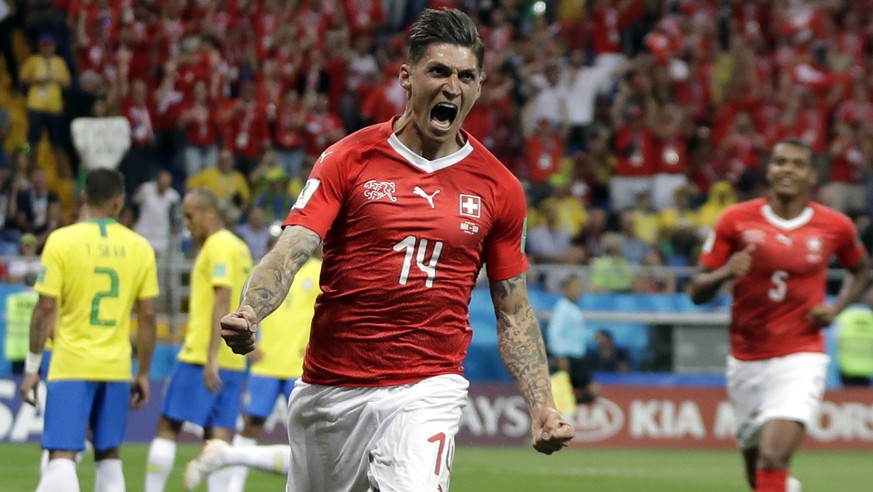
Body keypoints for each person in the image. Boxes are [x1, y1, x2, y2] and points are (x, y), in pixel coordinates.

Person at [219, 8, 574, 492]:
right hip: (331, 388)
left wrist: (541, 405)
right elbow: (292, 248)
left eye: (466, 76)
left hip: (427, 386)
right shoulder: (348, 158)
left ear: (479, 85)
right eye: (439, 71)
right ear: (406, 77)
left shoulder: (500, 187)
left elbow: (513, 310)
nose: (453, 86)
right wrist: (250, 310)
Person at [687, 138, 871, 492]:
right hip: (746, 358)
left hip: (801, 356)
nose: (787, 169)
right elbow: (696, 291)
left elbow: (862, 270)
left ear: (811, 175)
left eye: (797, 164)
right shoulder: (735, 220)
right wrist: (726, 272)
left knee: (773, 458)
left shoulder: (836, 226)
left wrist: (836, 307)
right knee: (758, 475)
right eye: (780, 162)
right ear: (769, 170)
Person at [18, 168, 159, 491]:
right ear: (119, 202)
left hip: (71, 364)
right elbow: (148, 316)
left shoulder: (62, 241)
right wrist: (143, 373)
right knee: (109, 455)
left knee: (62, 455)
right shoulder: (139, 247)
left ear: (84, 197)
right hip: (116, 366)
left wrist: (31, 369)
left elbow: (45, 309)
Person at [184, 246, 323, 491]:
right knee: (251, 425)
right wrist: (252, 342)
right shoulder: (272, 270)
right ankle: (233, 486)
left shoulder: (319, 271)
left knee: (310, 434)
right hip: (266, 363)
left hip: (300, 365)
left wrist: (315, 343)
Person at [144, 187, 253, 492]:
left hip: (203, 355)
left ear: (209, 213)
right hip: (233, 359)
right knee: (217, 438)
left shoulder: (217, 245)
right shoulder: (238, 246)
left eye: (190, 216)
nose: (186, 223)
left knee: (167, 426)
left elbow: (223, 297)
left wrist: (211, 356)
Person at [546, 275, 597, 403]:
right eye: (575, 286)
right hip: (568, 357)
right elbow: (554, 332)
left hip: (578, 357)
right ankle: (560, 407)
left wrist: (592, 336)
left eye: (580, 287)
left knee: (590, 392)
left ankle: (565, 406)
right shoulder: (562, 308)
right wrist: (560, 355)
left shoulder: (574, 308)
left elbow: (576, 333)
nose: (578, 290)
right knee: (590, 390)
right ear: (566, 288)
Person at [4, 272, 38, 375]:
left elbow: (6, 317)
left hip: (16, 345)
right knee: (34, 377)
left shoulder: (13, 299)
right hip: (34, 345)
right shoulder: (39, 300)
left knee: (16, 378)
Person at [833, 300, 873, 387]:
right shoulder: (870, 315)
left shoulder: (843, 316)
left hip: (847, 368)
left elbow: (836, 337)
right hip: (868, 368)